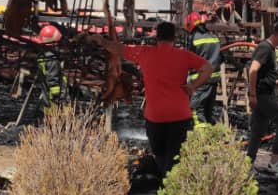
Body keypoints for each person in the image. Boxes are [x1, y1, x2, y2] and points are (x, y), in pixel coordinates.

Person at [94, 21, 211, 178]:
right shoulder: (184, 55)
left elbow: (119, 48)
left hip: (155, 116)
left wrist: (101, 41)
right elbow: (207, 68)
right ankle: (169, 183)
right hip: (179, 115)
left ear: (157, 37)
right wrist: (193, 86)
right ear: (174, 37)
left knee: (160, 155)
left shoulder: (145, 53)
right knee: (174, 156)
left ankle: (163, 181)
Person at [246, 19, 278, 172]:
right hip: (263, 96)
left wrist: (275, 82)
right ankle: (274, 162)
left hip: (263, 93)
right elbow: (253, 70)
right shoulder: (265, 48)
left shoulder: (270, 49)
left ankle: (247, 163)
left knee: (258, 131)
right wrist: (252, 95)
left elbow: (262, 74)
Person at [184, 12, 222, 126]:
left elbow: (188, 60)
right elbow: (221, 57)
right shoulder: (214, 37)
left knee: (196, 110)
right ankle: (210, 133)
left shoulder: (193, 38)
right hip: (214, 79)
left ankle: (201, 135)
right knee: (208, 112)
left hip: (200, 80)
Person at [36, 24, 65, 110]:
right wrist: (58, 97)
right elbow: (52, 79)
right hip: (54, 100)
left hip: (48, 96)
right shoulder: (51, 59)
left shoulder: (43, 56)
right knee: (55, 113)